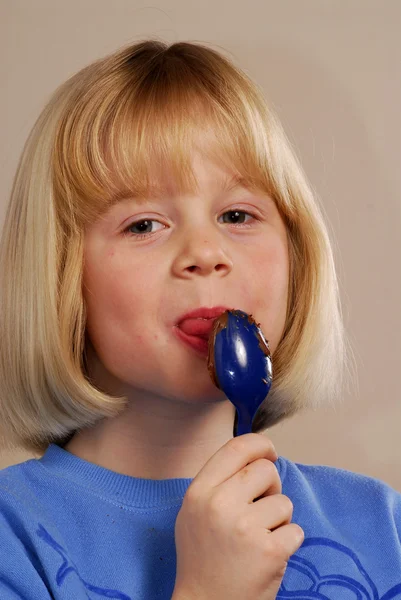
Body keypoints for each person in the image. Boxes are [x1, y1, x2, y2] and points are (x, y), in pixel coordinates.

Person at [0, 38, 399, 600]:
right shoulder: (14, 540)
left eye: (237, 214)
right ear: (61, 274)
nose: (205, 252)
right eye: (144, 225)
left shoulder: (384, 529)